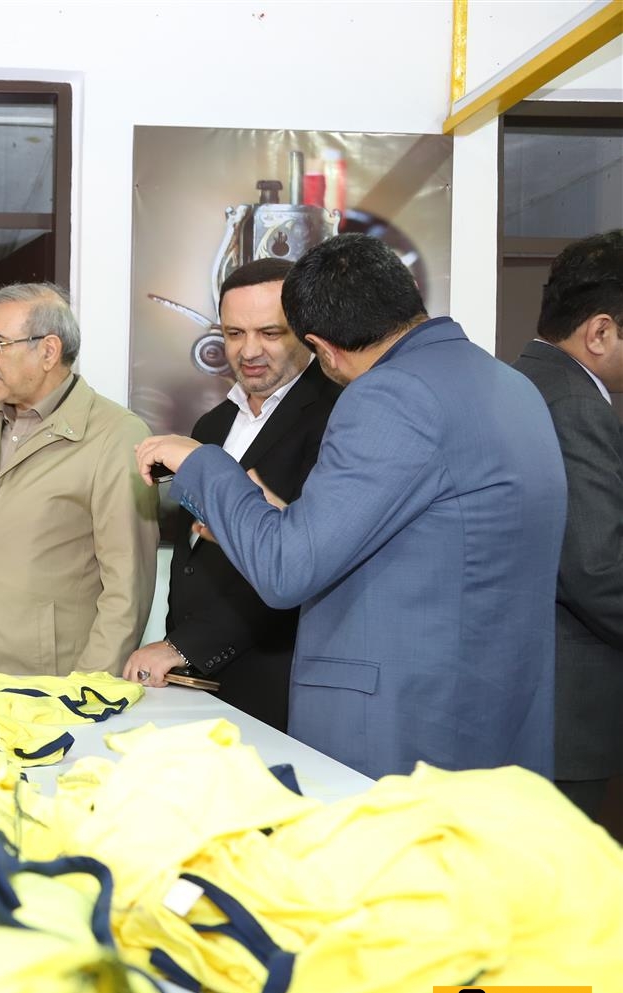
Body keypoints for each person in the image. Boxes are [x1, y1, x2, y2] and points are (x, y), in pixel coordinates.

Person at [136, 233, 566, 780]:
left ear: (321, 347)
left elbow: (288, 570)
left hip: (401, 725)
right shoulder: (510, 383)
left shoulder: (388, 395)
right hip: (490, 709)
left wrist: (201, 462)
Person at [121, 259, 340, 730]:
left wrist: (186, 646)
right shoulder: (212, 424)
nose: (249, 350)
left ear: (307, 333)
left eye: (270, 333)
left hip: (277, 680)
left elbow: (304, 564)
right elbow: (197, 555)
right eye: (234, 333)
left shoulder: (336, 417)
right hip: (192, 676)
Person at [0, 282, 158, 676]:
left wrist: (85, 693)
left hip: (46, 691)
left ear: (48, 351)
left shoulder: (114, 437)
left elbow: (126, 592)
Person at [511, 230, 623, 821]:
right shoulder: (576, 405)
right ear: (600, 331)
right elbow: (596, 568)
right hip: (568, 714)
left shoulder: (528, 381)